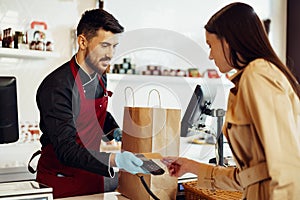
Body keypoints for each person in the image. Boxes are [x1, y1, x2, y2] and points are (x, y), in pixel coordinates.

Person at [162, 2, 300, 200]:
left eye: (211, 45)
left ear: (227, 41)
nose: (210, 55)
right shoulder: (253, 76)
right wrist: (191, 166)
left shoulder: (258, 74)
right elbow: (247, 177)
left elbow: (285, 166)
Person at [30, 9, 147, 198]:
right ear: (83, 41)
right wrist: (115, 159)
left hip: (93, 177)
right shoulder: (57, 87)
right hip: (62, 181)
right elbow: (66, 150)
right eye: (104, 45)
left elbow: (95, 112)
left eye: (114, 46)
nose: (110, 54)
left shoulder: (100, 76)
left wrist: (114, 130)